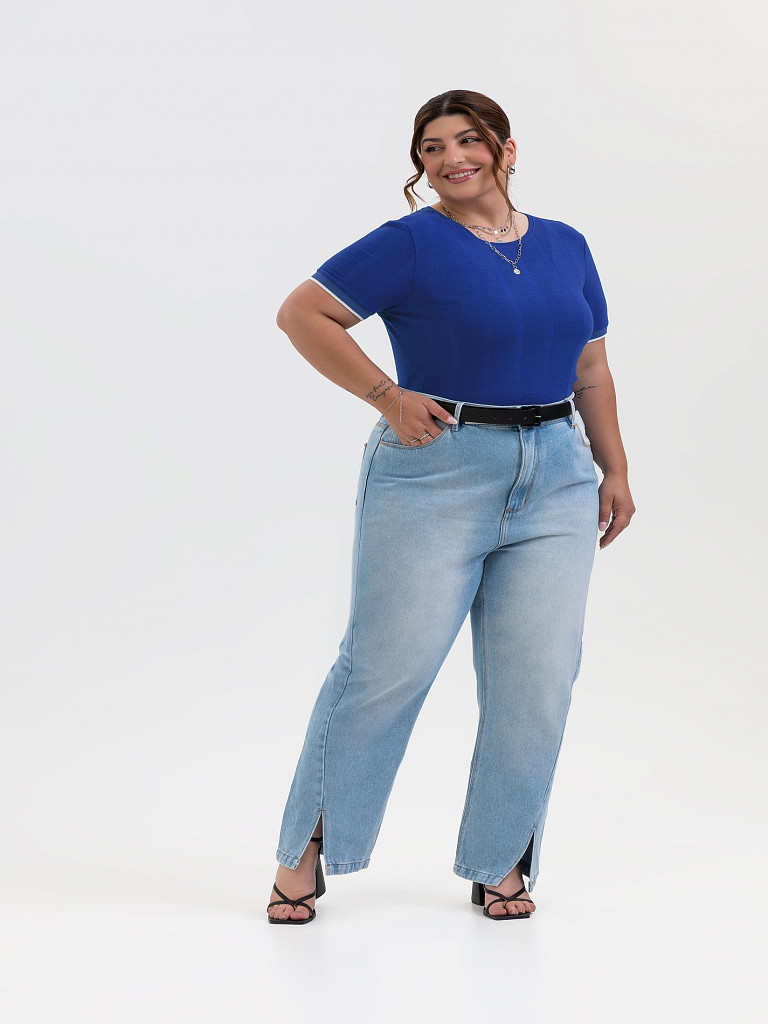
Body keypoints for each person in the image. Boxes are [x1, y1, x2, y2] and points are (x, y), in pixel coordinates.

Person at [266, 89, 635, 924]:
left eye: (468, 139)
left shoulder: (567, 244)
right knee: (384, 670)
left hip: (558, 473)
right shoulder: (410, 243)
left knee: (538, 679)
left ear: (507, 149)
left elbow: (591, 368)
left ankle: (500, 860)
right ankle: (308, 850)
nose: (451, 158)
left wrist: (613, 469)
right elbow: (303, 313)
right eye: (431, 148)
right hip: (437, 470)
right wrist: (386, 395)